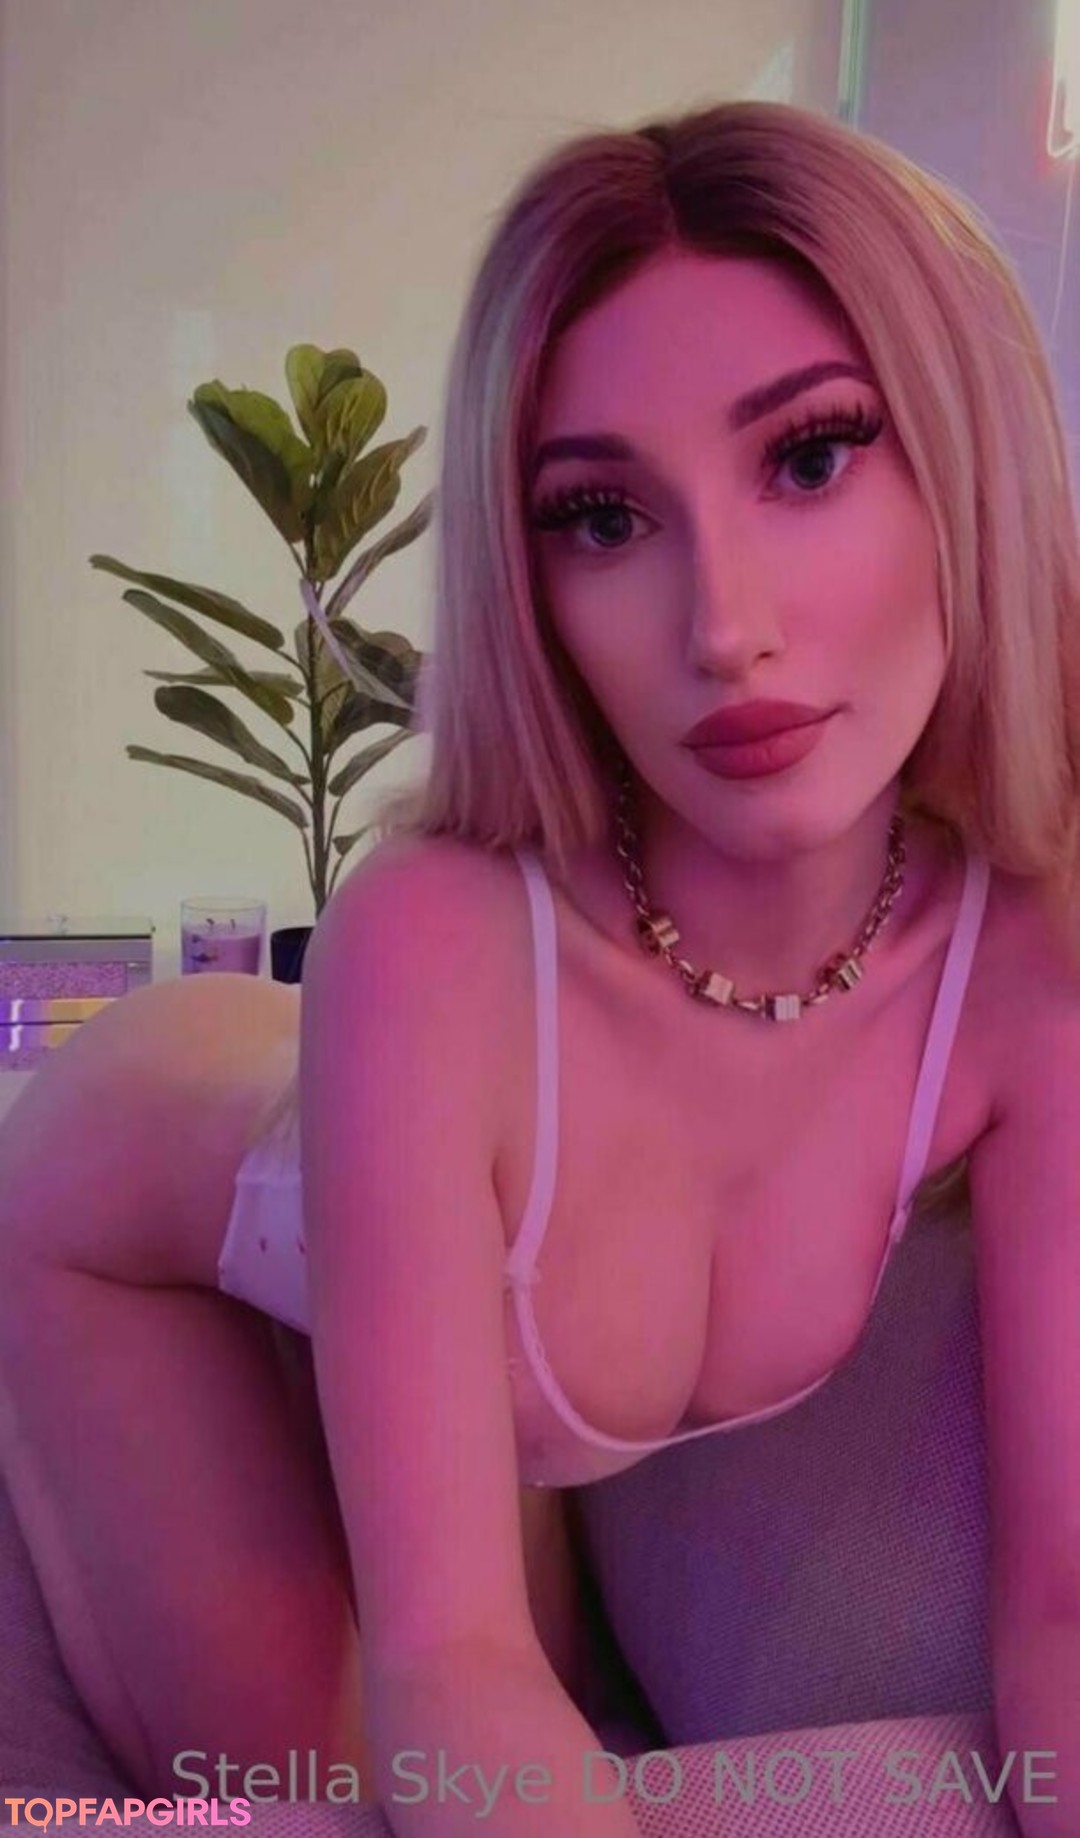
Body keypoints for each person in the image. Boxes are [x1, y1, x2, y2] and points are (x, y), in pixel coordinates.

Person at [1, 95, 1079, 1838]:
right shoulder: (431, 940)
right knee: (330, 1791)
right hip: (130, 1207)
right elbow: (454, 1666)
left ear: (975, 456)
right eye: (602, 515)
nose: (724, 626)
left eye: (810, 457)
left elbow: (1066, 1601)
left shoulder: (1031, 965)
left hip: (427, 1179)